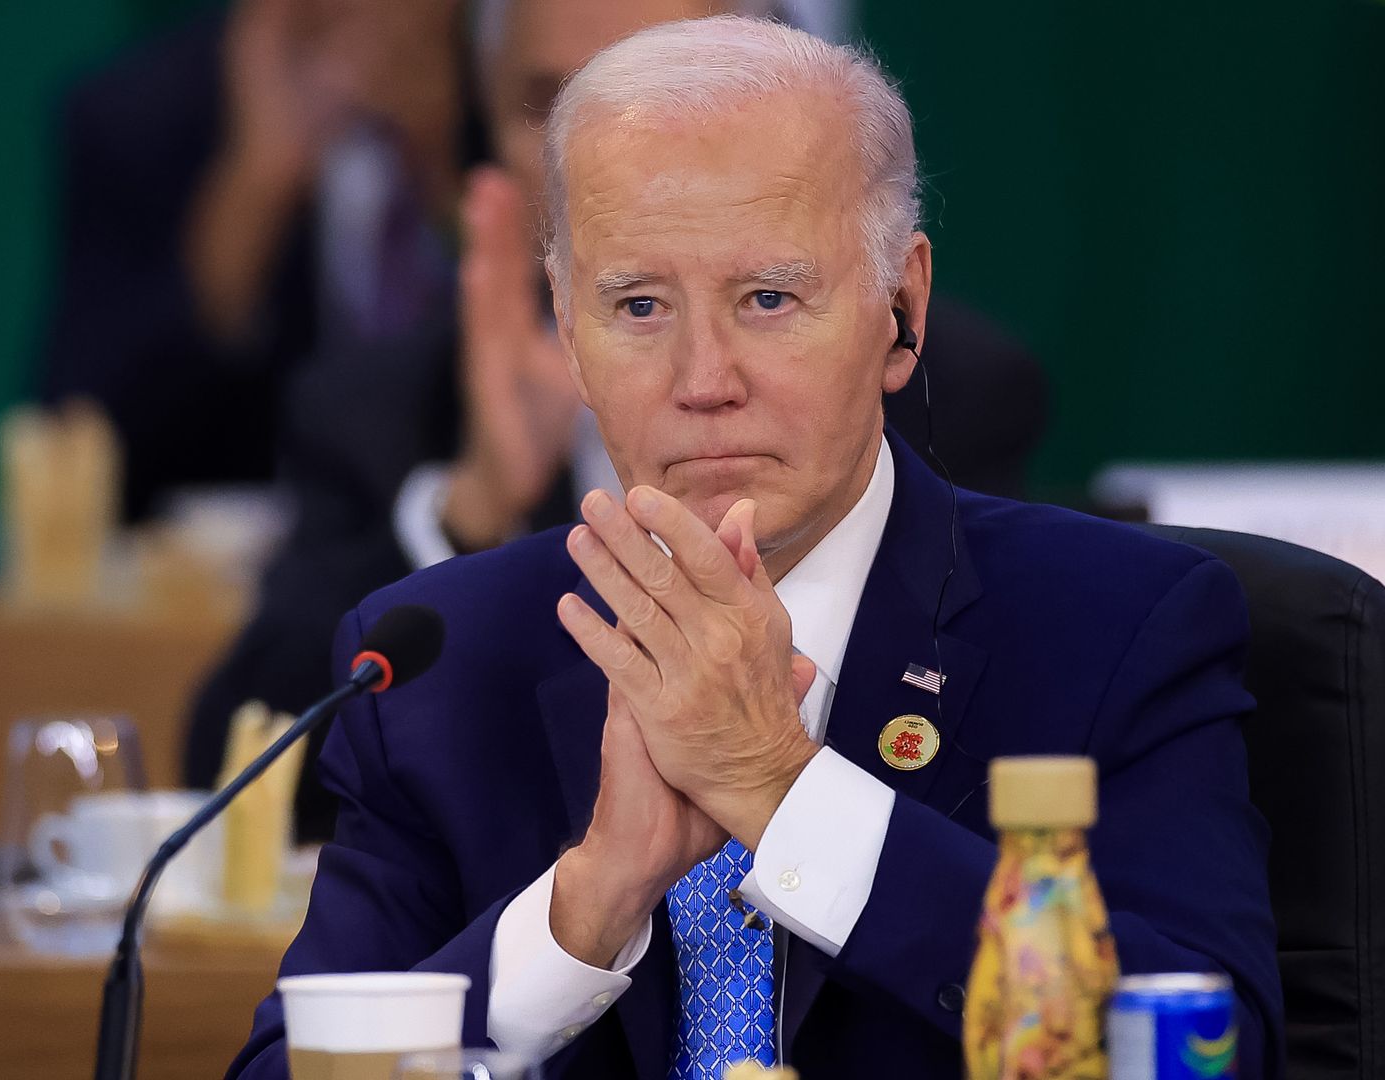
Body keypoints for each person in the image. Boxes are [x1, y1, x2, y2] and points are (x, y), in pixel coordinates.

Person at [225, 16, 1280, 1079]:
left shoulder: (1120, 626)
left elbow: (1211, 1056)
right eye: (639, 305)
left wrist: (782, 791)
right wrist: (580, 914)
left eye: (768, 299)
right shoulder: (441, 666)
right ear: (570, 332)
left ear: (902, 310)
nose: (703, 381)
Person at [184, 0, 1050, 843]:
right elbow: (241, 787)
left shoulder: (941, 381)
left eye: (682, 83)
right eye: (552, 102)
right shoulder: (386, 406)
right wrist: (472, 513)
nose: (626, 130)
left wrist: (771, 784)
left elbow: (1010, 770)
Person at [36, 0, 464, 521]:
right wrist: (258, 188)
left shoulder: (517, 82)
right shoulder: (144, 113)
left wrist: (450, 172)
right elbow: (82, 445)